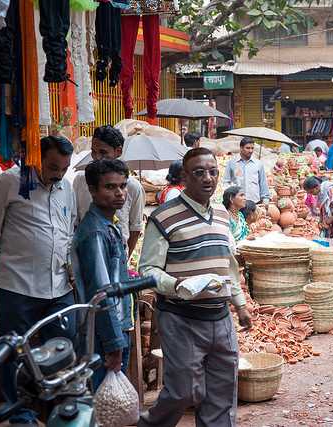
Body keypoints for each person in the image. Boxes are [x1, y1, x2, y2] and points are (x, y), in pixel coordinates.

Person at [138, 147, 252, 427]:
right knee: (184, 390)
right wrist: (177, 285)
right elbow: (147, 269)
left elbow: (229, 264)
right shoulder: (164, 217)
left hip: (219, 316)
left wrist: (239, 304)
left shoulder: (224, 215)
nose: (207, 178)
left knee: (222, 391)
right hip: (181, 317)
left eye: (213, 172)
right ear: (185, 177)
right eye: (199, 173)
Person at [0, 135, 77, 425]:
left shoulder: (65, 188)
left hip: (58, 287)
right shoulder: (10, 182)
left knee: (61, 347)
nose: (58, 174)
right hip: (16, 285)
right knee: (14, 351)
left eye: (64, 168)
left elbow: (67, 232)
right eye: (53, 167)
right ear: (36, 158)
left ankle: (56, 408)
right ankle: (20, 412)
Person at [72, 159, 133, 390]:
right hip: (103, 331)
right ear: (92, 190)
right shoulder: (96, 232)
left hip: (113, 326)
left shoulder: (109, 225)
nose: (119, 193)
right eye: (110, 187)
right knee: (104, 404)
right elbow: (101, 292)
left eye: (123, 186)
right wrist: (113, 342)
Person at [74, 125, 145, 255]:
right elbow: (75, 222)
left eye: (103, 152)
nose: (96, 157)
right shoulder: (80, 180)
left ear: (118, 151)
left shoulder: (133, 187)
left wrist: (123, 259)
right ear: (92, 190)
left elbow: (135, 229)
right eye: (93, 152)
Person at [223, 137, 270, 204]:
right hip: (236, 203)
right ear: (241, 148)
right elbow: (226, 182)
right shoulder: (232, 163)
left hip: (254, 202)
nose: (250, 151)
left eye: (252, 148)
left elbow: (263, 183)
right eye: (247, 148)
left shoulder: (258, 164)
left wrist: (265, 199)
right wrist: (231, 197)